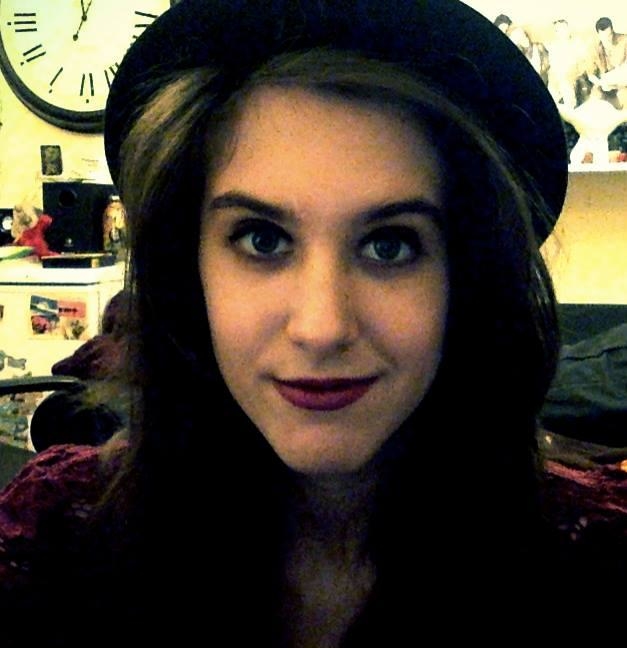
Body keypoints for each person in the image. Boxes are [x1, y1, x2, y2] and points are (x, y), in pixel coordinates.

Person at [0, 0, 624, 644]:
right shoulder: (55, 534)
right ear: (188, 269)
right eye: (262, 239)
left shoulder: (597, 559)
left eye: (389, 245)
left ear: (465, 276)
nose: (321, 328)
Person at [586, 16, 627, 109]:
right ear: (598, 34)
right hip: (604, 85)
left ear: (612, 31)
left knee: (623, 101)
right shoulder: (594, 47)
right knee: (594, 100)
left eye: (609, 35)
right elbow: (590, 74)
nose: (607, 39)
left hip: (623, 85)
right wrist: (601, 83)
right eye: (603, 36)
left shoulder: (625, 40)